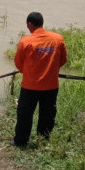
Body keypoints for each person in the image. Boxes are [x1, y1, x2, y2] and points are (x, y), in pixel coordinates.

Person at [12, 11, 67, 148]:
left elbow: (19, 63)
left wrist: (31, 73)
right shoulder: (57, 39)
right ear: (42, 23)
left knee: (24, 114)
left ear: (29, 24)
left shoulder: (25, 41)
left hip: (30, 86)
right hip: (51, 86)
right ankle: (43, 140)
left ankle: (21, 141)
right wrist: (49, 71)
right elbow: (63, 60)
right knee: (47, 114)